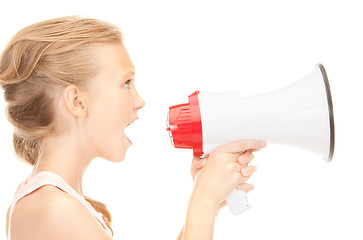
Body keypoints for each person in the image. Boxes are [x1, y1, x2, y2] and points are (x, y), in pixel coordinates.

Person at [0, 16, 266, 240]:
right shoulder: (53, 209)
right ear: (77, 102)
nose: (139, 101)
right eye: (126, 83)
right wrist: (203, 201)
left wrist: (207, 200)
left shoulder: (52, 200)